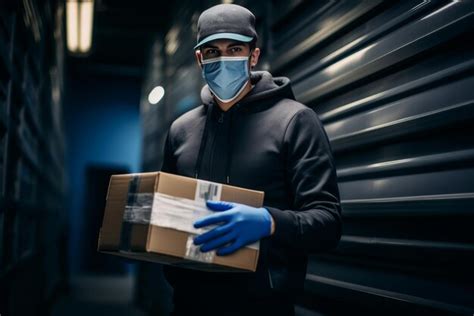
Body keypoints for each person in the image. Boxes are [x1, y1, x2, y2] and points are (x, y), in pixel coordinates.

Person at [160, 4, 342, 316]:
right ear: (199, 59)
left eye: (234, 49)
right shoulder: (181, 130)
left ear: (253, 56)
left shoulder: (295, 121)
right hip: (189, 304)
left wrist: (269, 221)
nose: (224, 59)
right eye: (213, 51)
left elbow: (327, 223)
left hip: (262, 307)